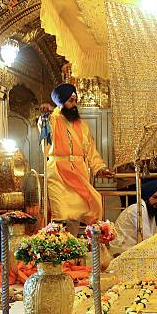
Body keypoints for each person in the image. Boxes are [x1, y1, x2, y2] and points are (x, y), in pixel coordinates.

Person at [43, 83, 115, 232]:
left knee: (86, 209)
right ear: (61, 102)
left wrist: (100, 169)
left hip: (79, 174)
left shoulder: (82, 125)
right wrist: (46, 114)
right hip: (58, 174)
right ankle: (58, 250)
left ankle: (73, 250)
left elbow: (90, 151)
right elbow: (44, 131)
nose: (74, 104)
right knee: (61, 215)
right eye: (70, 101)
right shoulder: (52, 119)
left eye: (75, 100)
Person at [110, 179, 157, 254]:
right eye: (155, 197)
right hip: (122, 251)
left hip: (133, 248)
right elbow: (147, 238)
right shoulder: (137, 209)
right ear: (147, 197)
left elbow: (155, 234)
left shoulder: (150, 210)